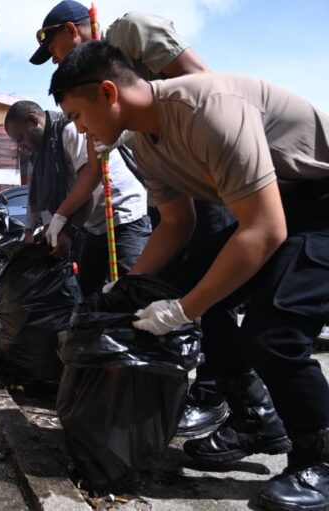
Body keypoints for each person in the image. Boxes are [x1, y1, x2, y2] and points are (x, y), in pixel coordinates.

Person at [50, 40, 329, 511]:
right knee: (194, 292)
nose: (79, 129)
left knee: (273, 333)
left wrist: (182, 310)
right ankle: (255, 416)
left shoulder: (209, 109)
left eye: (77, 115)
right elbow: (177, 224)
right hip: (280, 203)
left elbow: (265, 229)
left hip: (319, 199)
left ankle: (319, 457)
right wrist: (131, 286)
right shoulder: (145, 143)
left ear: (108, 93)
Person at [31, 0, 236, 437]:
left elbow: (203, 86)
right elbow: (93, 166)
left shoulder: (132, 33)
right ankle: (174, 395)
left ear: (70, 31)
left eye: (54, 51)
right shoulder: (87, 99)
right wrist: (61, 217)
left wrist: (135, 122)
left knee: (211, 292)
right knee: (159, 290)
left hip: (206, 177)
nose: (57, 61)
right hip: (168, 189)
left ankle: (219, 396)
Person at [4, 100, 149, 295]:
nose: (21, 145)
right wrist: (46, 230)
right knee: (86, 292)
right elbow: (43, 198)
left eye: (21, 137)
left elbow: (93, 187)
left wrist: (69, 230)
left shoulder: (70, 131)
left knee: (131, 289)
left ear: (33, 120)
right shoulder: (41, 154)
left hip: (122, 213)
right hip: (93, 225)